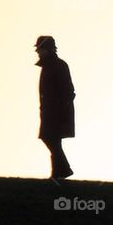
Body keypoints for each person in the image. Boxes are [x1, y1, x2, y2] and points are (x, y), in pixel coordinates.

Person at [34, 35, 75, 179]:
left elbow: (68, 91)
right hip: (50, 111)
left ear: (48, 49)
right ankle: (59, 171)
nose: (37, 52)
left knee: (51, 139)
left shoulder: (58, 66)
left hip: (56, 112)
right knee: (52, 140)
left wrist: (62, 108)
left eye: (39, 49)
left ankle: (62, 169)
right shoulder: (50, 66)